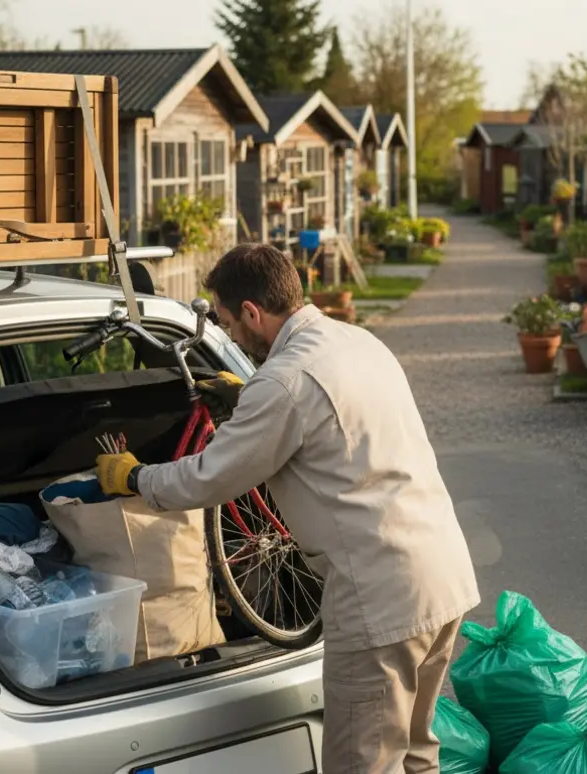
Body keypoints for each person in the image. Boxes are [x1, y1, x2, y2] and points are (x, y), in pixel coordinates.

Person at [95, 243, 480, 773]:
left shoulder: (283, 382)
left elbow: (209, 478)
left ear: (253, 311)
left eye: (229, 322)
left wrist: (135, 476)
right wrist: (250, 394)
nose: (230, 335)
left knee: (365, 765)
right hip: (441, 580)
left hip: (379, 604)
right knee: (416, 756)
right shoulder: (357, 341)